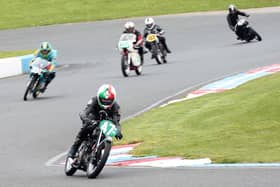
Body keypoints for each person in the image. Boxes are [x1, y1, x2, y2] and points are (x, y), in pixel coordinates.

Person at [68, 84, 123, 158]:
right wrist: (85, 118)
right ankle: (74, 148)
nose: (106, 102)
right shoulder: (94, 100)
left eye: (108, 100)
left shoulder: (116, 107)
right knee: (86, 127)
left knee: (107, 136)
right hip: (93, 118)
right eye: (103, 100)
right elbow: (84, 112)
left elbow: (116, 121)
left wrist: (118, 131)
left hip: (106, 122)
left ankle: (98, 151)